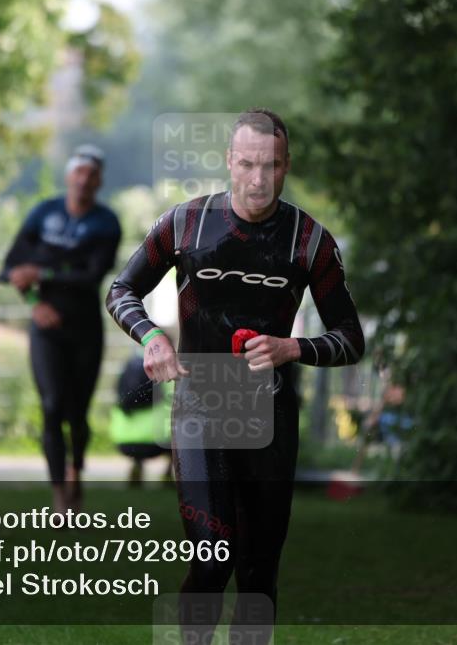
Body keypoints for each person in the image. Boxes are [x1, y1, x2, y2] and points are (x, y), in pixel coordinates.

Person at [105, 109, 364, 642]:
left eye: (270, 166)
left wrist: (294, 346)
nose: (257, 179)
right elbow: (120, 291)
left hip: (270, 413)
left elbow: (350, 339)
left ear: (287, 164)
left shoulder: (309, 241)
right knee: (210, 563)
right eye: (246, 164)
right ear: (229, 162)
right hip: (199, 405)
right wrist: (152, 337)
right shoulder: (186, 224)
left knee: (256, 575)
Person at [0, 144, 121, 514]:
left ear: (99, 181)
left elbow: (93, 276)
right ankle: (58, 499)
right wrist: (36, 305)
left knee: (77, 413)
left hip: (85, 328)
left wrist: (44, 273)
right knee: (51, 407)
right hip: (46, 328)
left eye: (92, 174)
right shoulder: (43, 214)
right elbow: (12, 268)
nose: (84, 180)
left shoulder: (106, 222)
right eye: (79, 171)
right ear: (70, 175)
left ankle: (76, 474)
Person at [109, 353, 173, 486]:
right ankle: (168, 473)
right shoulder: (171, 376)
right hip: (159, 443)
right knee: (184, 434)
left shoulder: (126, 375)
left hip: (124, 442)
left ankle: (137, 465)